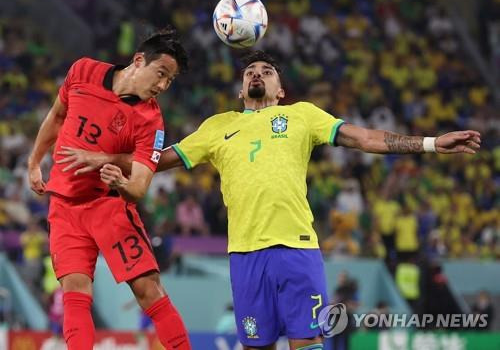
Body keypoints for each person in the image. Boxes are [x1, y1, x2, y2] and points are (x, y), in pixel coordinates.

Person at [57, 51, 481, 350]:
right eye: (249, 72)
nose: (256, 74)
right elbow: (154, 161)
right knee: (256, 345)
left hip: (296, 248)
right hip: (244, 255)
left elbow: (366, 138)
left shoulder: (303, 115)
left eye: (267, 70)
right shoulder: (217, 126)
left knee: (307, 341)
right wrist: (104, 157)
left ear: (280, 89)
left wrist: (429, 143)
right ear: (242, 89)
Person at [27, 28, 191, 350]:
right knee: (75, 292)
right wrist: (34, 161)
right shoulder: (83, 71)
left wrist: (118, 179)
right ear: (139, 60)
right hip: (64, 205)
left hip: (109, 205)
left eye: (169, 81)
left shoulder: (151, 121)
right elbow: (57, 116)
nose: (162, 86)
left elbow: (140, 186)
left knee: (148, 290)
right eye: (161, 74)